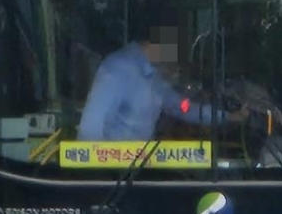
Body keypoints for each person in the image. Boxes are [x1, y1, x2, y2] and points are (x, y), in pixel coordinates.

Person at [77, 17, 248, 141]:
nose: (177, 60)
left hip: (137, 173)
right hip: (112, 177)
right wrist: (97, 179)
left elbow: (183, 107)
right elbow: (91, 128)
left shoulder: (155, 78)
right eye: (177, 50)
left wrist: (227, 116)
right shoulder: (117, 69)